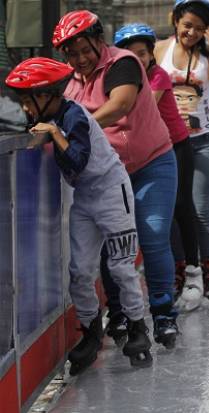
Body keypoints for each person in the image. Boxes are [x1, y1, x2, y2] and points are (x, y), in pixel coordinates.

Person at [5, 57, 152, 373]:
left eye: (27, 101)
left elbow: (77, 161)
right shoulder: (56, 117)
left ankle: (138, 328)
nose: (26, 110)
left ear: (45, 96)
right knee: (80, 270)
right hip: (85, 197)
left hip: (112, 191)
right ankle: (90, 331)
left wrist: (54, 134)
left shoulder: (74, 117)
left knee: (120, 266)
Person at [53, 10, 180, 348]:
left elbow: (120, 104)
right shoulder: (70, 83)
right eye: (72, 53)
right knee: (114, 244)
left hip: (152, 163)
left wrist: (76, 126)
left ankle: (164, 313)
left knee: (152, 237)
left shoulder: (122, 62)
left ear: (99, 41)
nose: (80, 59)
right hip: (108, 176)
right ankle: (120, 313)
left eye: (85, 50)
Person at [114, 23, 202, 311]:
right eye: (131, 55)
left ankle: (194, 270)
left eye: (142, 53)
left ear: (151, 54)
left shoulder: (157, 76)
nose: (138, 59)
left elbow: (137, 108)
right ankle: (174, 268)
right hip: (143, 153)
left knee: (180, 206)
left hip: (174, 147)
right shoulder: (118, 82)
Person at [154, 0, 209, 308]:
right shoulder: (159, 50)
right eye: (187, 25)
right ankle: (180, 270)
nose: (192, 32)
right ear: (175, 20)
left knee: (200, 210)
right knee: (173, 210)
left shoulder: (208, 53)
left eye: (199, 28)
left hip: (204, 140)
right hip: (169, 141)